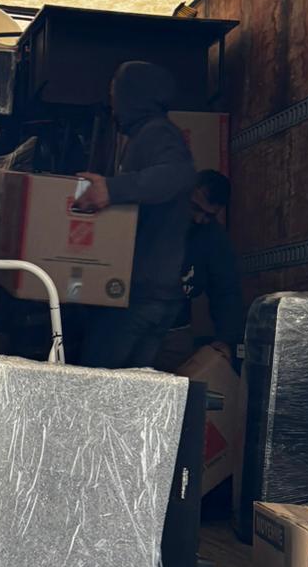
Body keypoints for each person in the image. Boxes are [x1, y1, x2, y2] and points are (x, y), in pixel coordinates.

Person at [72, 59, 195, 369]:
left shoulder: (157, 133)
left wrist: (112, 190)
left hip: (141, 294)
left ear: (133, 96)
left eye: (116, 93)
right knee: (128, 393)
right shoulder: (144, 135)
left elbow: (178, 174)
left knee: (99, 383)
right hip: (149, 293)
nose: (111, 100)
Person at [176, 169, 245, 362]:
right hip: (131, 321)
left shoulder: (214, 239)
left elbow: (226, 292)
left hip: (175, 329)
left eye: (209, 215)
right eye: (195, 208)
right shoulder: (157, 218)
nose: (199, 219)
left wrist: (225, 339)